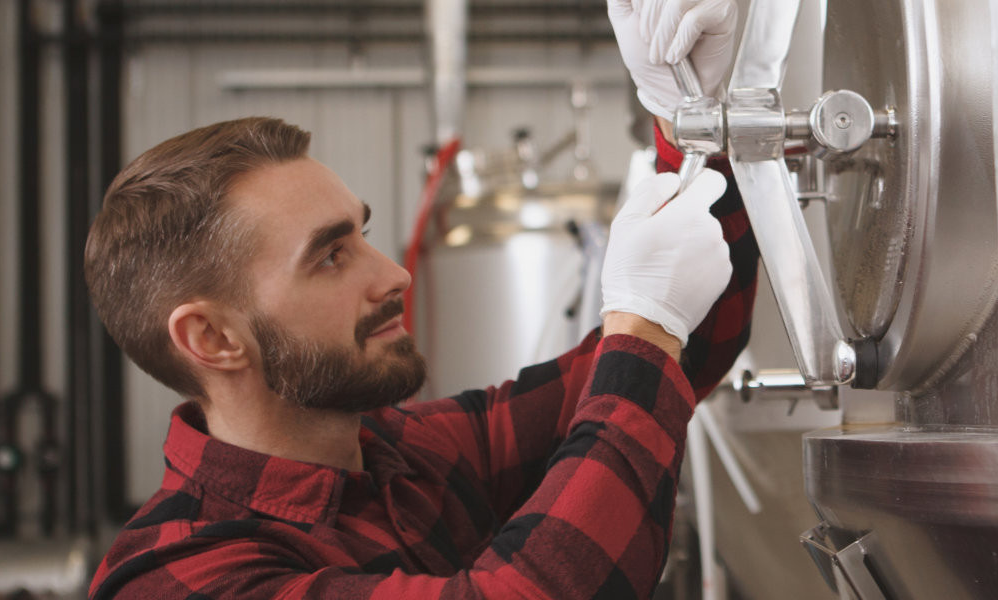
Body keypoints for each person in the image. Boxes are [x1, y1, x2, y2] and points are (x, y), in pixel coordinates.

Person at [86, 2, 745, 597]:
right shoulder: (180, 577)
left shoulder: (405, 456)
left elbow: (676, 353)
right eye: (330, 255)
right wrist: (646, 323)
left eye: (362, 234)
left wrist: (688, 125)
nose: (396, 275)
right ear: (212, 338)